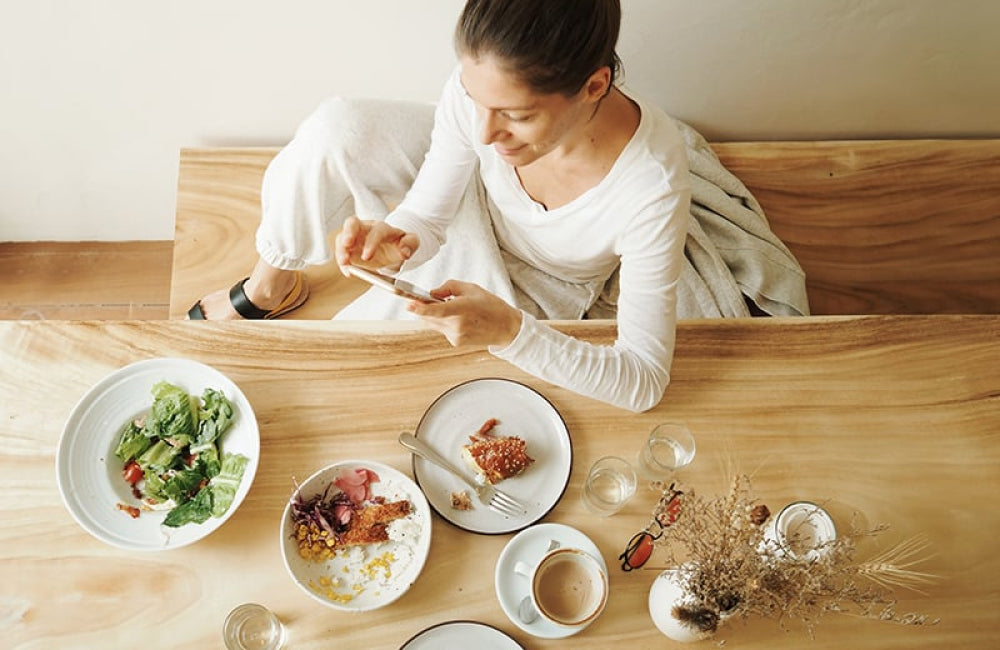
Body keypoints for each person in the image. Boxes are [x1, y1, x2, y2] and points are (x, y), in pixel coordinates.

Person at [189, 0, 692, 413]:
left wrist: (511, 332)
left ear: (594, 87)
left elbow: (643, 381)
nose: (485, 133)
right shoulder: (483, 103)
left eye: (516, 116)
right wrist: (401, 237)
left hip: (534, 280)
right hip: (473, 202)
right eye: (476, 100)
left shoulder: (651, 188)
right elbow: (430, 210)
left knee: (369, 376)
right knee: (336, 128)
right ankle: (269, 284)